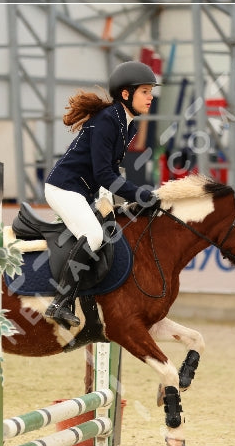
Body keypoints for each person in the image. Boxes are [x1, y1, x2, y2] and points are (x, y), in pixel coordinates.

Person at [43, 60, 159, 328]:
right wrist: (139, 194)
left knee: (112, 229)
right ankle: (60, 301)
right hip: (64, 187)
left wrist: (117, 202)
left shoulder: (128, 125)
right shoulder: (107, 121)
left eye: (151, 91)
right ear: (126, 94)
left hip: (84, 191)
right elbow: (104, 173)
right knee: (93, 235)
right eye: (145, 91)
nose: (151, 97)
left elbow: (109, 172)